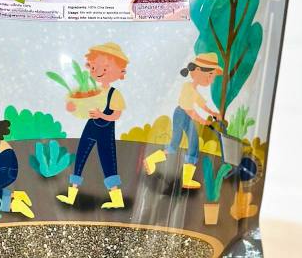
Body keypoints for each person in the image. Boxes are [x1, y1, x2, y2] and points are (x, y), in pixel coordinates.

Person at [57, 42, 129, 209]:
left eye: (105, 68)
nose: (99, 72)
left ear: (119, 71)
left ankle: (116, 199)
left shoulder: (114, 93)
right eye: (95, 67)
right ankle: (71, 196)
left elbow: (116, 114)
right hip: (90, 127)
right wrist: (73, 107)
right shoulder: (92, 91)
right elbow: (82, 109)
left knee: (108, 161)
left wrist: (102, 115)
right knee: (80, 157)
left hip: (105, 130)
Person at [144, 52, 224, 189]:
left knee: (191, 144)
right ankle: (151, 160)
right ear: (197, 70)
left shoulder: (193, 88)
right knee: (177, 144)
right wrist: (203, 121)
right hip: (182, 114)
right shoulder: (187, 88)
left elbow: (201, 104)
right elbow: (189, 110)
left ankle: (186, 179)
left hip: (185, 114)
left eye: (213, 76)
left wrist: (213, 113)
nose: (211, 79)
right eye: (210, 75)